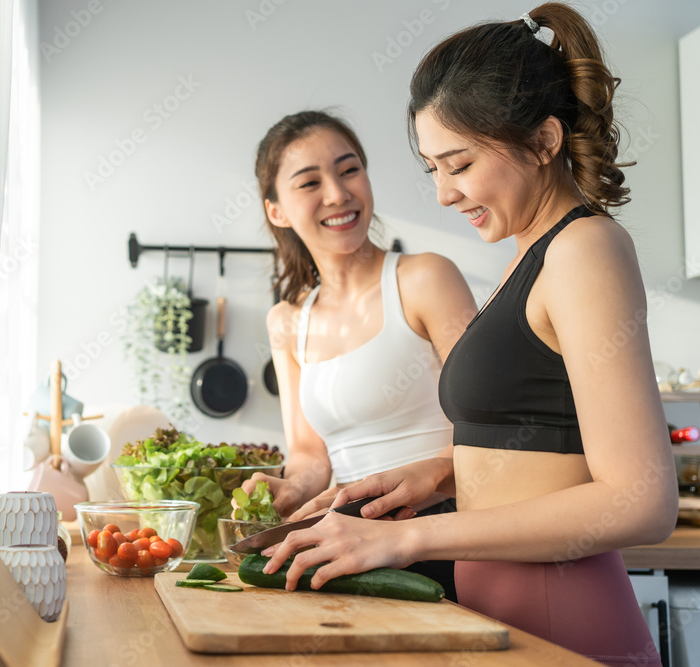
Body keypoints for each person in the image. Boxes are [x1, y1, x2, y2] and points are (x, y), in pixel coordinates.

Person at [261, 5, 678, 666]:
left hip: (564, 629)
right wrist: (434, 476)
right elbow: (542, 450)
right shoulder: (528, 252)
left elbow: (642, 500)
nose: (443, 194)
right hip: (498, 623)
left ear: (544, 141)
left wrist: (405, 542)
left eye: (458, 164)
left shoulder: (584, 249)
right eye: (432, 169)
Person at [242, 109, 478, 599]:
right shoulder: (287, 321)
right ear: (277, 211)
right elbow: (310, 456)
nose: (338, 193)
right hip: (350, 541)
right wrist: (289, 490)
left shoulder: (424, 278)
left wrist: (429, 482)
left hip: (443, 529)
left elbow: (486, 425)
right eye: (309, 182)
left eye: (349, 170)